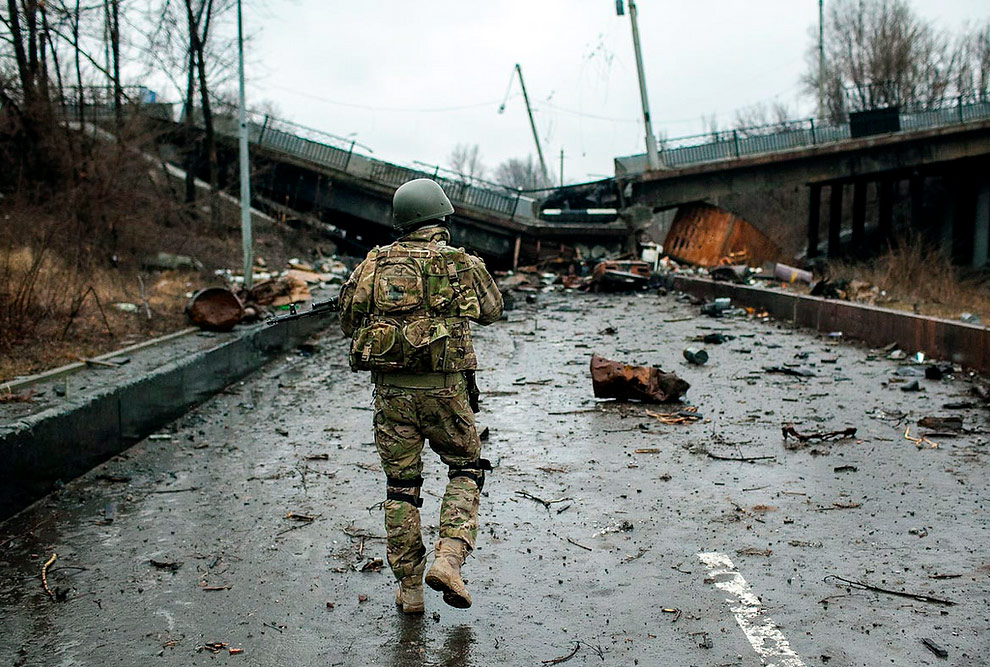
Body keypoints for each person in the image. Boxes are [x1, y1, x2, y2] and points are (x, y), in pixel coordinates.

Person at [338, 178, 503, 614]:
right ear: (441, 217)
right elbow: (493, 311)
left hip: (392, 396)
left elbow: (347, 320)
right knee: (466, 468)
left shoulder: (372, 264)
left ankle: (409, 589)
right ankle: (449, 558)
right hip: (446, 393)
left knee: (401, 488)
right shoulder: (460, 262)